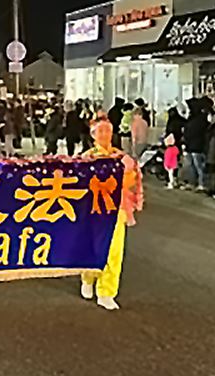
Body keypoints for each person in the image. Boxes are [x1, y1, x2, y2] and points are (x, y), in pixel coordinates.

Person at [80, 116, 144, 311]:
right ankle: (88, 278)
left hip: (117, 210)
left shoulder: (122, 158)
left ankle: (107, 292)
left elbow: (132, 180)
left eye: (107, 131)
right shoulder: (86, 158)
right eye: (100, 131)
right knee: (92, 248)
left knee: (114, 251)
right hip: (94, 210)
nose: (104, 135)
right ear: (93, 135)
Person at [183, 98, 209, 191]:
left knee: (197, 166)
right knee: (194, 166)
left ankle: (200, 184)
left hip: (196, 146)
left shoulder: (198, 118)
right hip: (193, 145)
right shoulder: (200, 118)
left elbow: (193, 132)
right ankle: (194, 183)